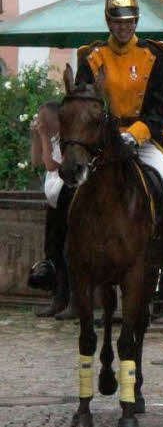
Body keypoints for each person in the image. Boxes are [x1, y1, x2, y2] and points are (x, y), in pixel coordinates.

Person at [75, 0, 163, 298]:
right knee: (63, 190)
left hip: (141, 139)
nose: (124, 27)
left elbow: (160, 109)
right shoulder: (91, 57)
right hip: (99, 142)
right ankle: (57, 261)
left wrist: (135, 136)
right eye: (118, 22)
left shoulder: (154, 55)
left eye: (130, 21)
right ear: (108, 22)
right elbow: (82, 104)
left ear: (137, 22)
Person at [26, 101, 76, 318]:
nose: (42, 122)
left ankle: (75, 300)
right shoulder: (49, 138)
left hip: (68, 195)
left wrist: (45, 137)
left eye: (45, 118)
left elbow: (52, 165)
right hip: (54, 199)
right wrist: (36, 137)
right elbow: (36, 161)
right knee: (53, 248)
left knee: (68, 251)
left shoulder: (68, 140)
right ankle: (58, 296)